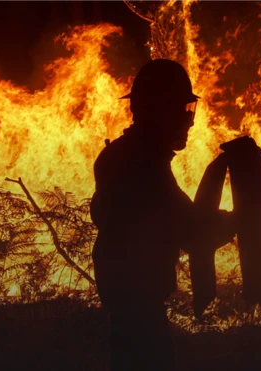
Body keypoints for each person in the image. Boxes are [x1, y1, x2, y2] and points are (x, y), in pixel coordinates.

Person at [90, 59, 235, 371]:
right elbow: (190, 231)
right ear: (158, 110)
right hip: (136, 298)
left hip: (126, 295)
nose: (189, 122)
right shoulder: (142, 167)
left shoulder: (124, 156)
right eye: (182, 110)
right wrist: (237, 221)